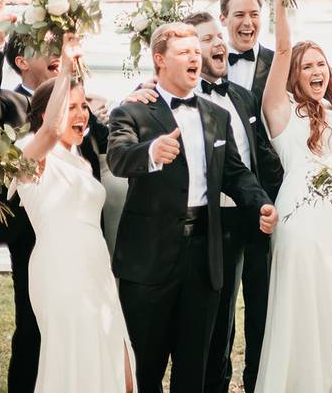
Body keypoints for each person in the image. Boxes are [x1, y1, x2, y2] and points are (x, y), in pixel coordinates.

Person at [106, 22, 278, 393]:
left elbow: (235, 172)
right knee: (144, 369)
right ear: (159, 60)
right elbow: (118, 157)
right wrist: (150, 152)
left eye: (195, 53)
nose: (195, 59)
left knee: (195, 370)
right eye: (184, 52)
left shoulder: (217, 117)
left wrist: (260, 203)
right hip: (149, 260)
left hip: (205, 258)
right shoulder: (133, 111)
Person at [0, 0, 109, 393]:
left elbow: (99, 148)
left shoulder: (82, 104)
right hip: (30, 232)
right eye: (47, 46)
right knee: (35, 328)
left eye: (61, 46)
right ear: (22, 61)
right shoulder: (6, 103)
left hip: (82, 234)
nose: (57, 51)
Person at [14, 35, 135, 392]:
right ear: (45, 115)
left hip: (95, 266)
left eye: (84, 106)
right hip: (60, 269)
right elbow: (51, 130)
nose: (81, 114)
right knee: (75, 362)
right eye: (71, 106)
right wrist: (65, 66)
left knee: (120, 365)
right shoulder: (29, 155)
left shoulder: (81, 160)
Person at [255, 0, 332, 392]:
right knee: (301, 312)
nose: (317, 71)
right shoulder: (280, 112)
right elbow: (280, 49)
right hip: (301, 221)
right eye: (307, 66)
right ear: (294, 75)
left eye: (321, 65)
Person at [219, 0, 283, 392]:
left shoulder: (279, 64)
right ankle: (217, 378)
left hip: (268, 201)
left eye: (254, 14)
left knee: (263, 302)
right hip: (221, 204)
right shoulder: (205, 64)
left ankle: (258, 380)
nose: (248, 22)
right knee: (221, 305)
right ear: (223, 19)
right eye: (239, 14)